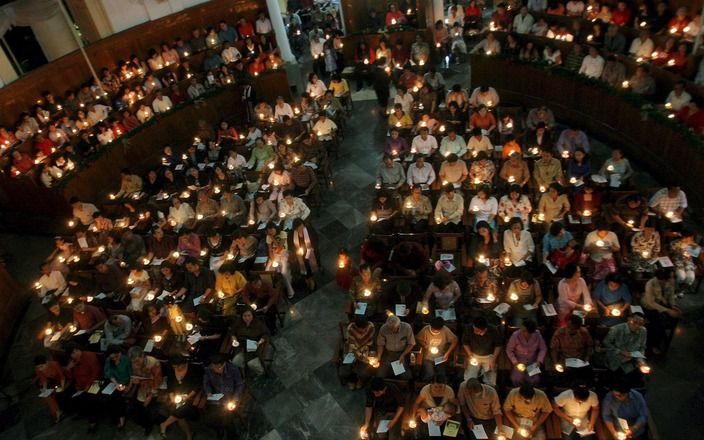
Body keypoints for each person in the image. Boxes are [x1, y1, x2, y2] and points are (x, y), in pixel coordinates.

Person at [160, 355, 203, 440]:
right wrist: (172, 396)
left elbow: (197, 386)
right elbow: (170, 385)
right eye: (174, 367)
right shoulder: (172, 370)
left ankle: (164, 424)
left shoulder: (193, 369)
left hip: (190, 397)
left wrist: (187, 397)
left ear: (183, 364)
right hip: (177, 396)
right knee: (180, 416)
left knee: (180, 412)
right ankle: (189, 435)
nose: (176, 368)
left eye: (178, 366)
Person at [603, 313, 648, 385]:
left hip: (633, 359)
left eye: (640, 324)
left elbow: (642, 347)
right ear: (629, 319)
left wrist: (641, 360)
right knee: (619, 379)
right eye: (635, 322)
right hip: (617, 357)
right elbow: (606, 342)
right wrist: (621, 352)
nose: (637, 326)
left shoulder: (643, 331)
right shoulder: (616, 329)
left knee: (640, 378)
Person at [642, 268, 680, 354]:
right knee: (658, 321)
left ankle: (659, 337)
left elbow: (671, 296)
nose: (672, 279)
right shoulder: (651, 283)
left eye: (673, 277)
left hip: (663, 304)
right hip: (649, 306)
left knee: (673, 317)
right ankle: (652, 344)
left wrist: (673, 306)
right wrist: (668, 310)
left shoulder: (670, 283)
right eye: (671, 277)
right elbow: (650, 302)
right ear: (662, 279)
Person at [551, 314, 594, 382]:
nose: (569, 329)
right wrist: (555, 363)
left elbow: (589, 346)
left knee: (588, 372)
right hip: (564, 359)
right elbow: (554, 349)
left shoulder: (584, 332)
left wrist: (587, 358)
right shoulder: (559, 333)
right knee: (562, 374)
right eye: (568, 326)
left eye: (572, 328)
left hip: (579, 359)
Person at [230, 306, 270, 376]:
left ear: (252, 315)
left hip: (253, 345)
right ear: (242, 316)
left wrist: (259, 342)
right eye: (245, 316)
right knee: (235, 362)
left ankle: (260, 371)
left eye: (249, 315)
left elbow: (266, 334)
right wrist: (234, 339)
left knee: (251, 363)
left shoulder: (258, 324)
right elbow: (232, 332)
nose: (247, 318)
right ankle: (244, 369)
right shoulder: (238, 322)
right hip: (241, 345)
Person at [462, 316, 502, 385]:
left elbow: (498, 345)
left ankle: (488, 390)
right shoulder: (469, 328)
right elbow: (465, 343)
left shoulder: (493, 330)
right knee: (469, 378)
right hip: (474, 355)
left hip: (489, 356)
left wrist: (493, 360)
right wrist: (470, 354)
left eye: (477, 331)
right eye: (474, 329)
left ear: (485, 329)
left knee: (490, 380)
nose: (474, 332)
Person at [506, 319, 547, 385]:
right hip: (519, 361)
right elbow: (509, 350)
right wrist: (515, 362)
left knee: (534, 380)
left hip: (532, 361)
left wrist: (539, 361)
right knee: (517, 379)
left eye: (524, 331)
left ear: (531, 332)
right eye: (522, 329)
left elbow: (543, 349)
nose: (521, 331)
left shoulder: (537, 334)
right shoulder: (515, 335)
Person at [340, 316, 376, 389]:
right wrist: (360, 356)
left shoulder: (371, 327)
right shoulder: (350, 329)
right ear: (356, 326)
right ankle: (352, 380)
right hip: (353, 348)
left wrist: (364, 355)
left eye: (365, 328)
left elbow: (370, 341)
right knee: (347, 366)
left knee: (365, 368)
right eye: (361, 329)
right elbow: (352, 344)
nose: (363, 330)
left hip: (366, 348)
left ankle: (360, 380)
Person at [375, 315, 414, 380]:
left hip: (401, 353)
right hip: (388, 353)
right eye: (389, 328)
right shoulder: (383, 328)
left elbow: (411, 344)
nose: (391, 330)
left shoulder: (407, 327)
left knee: (404, 376)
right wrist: (379, 356)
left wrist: (403, 355)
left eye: (393, 328)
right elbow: (380, 344)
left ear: (398, 325)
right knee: (380, 375)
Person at [34, 354, 66, 424]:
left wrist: (62, 387)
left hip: (61, 381)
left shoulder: (54, 365)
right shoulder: (38, 369)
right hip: (52, 382)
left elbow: (62, 377)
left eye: (42, 366)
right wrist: (44, 389)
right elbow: (43, 380)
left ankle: (58, 413)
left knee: (55, 394)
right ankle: (57, 412)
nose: (40, 369)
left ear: (47, 363)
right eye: (38, 367)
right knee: (46, 397)